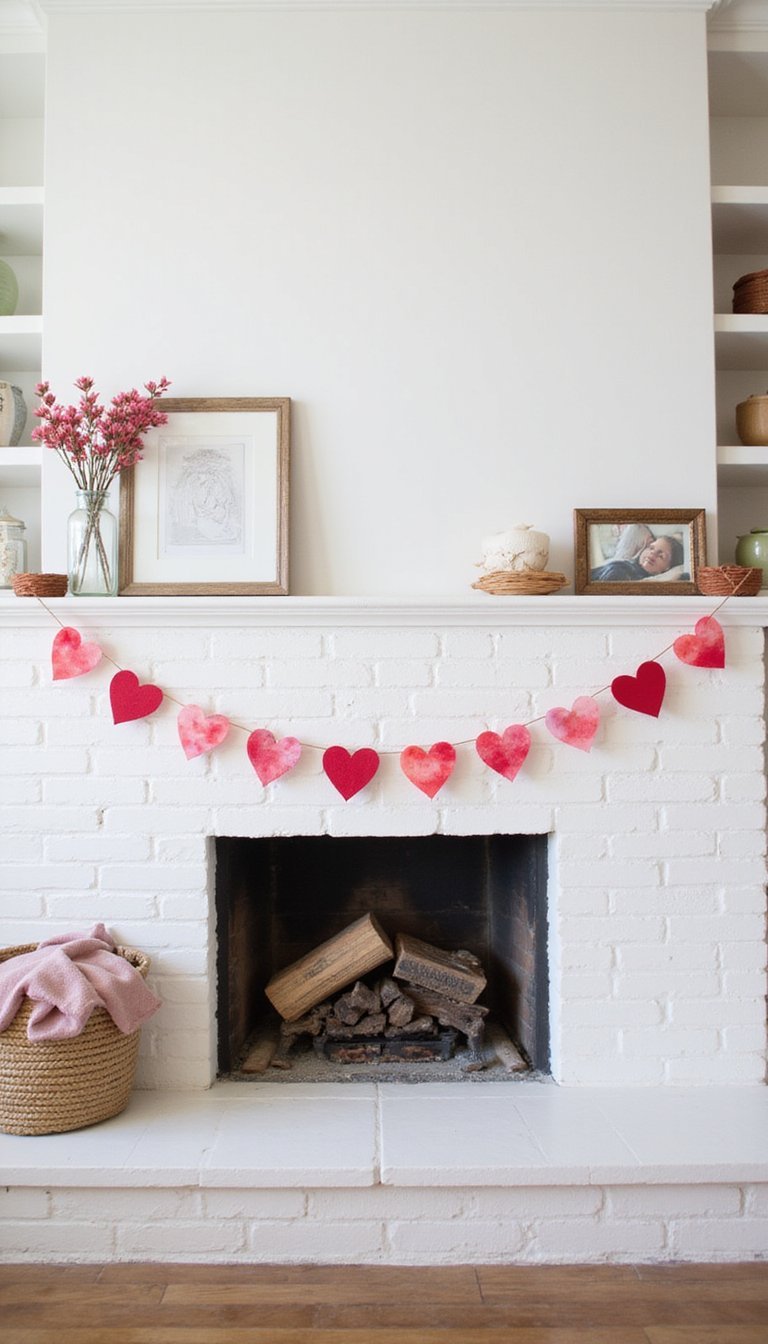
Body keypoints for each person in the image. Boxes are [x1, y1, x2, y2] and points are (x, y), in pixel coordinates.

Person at [591, 533, 685, 582]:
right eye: (651, 548)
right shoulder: (630, 564)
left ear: (667, 568)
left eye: (661, 556)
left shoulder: (630, 576)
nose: (652, 554)